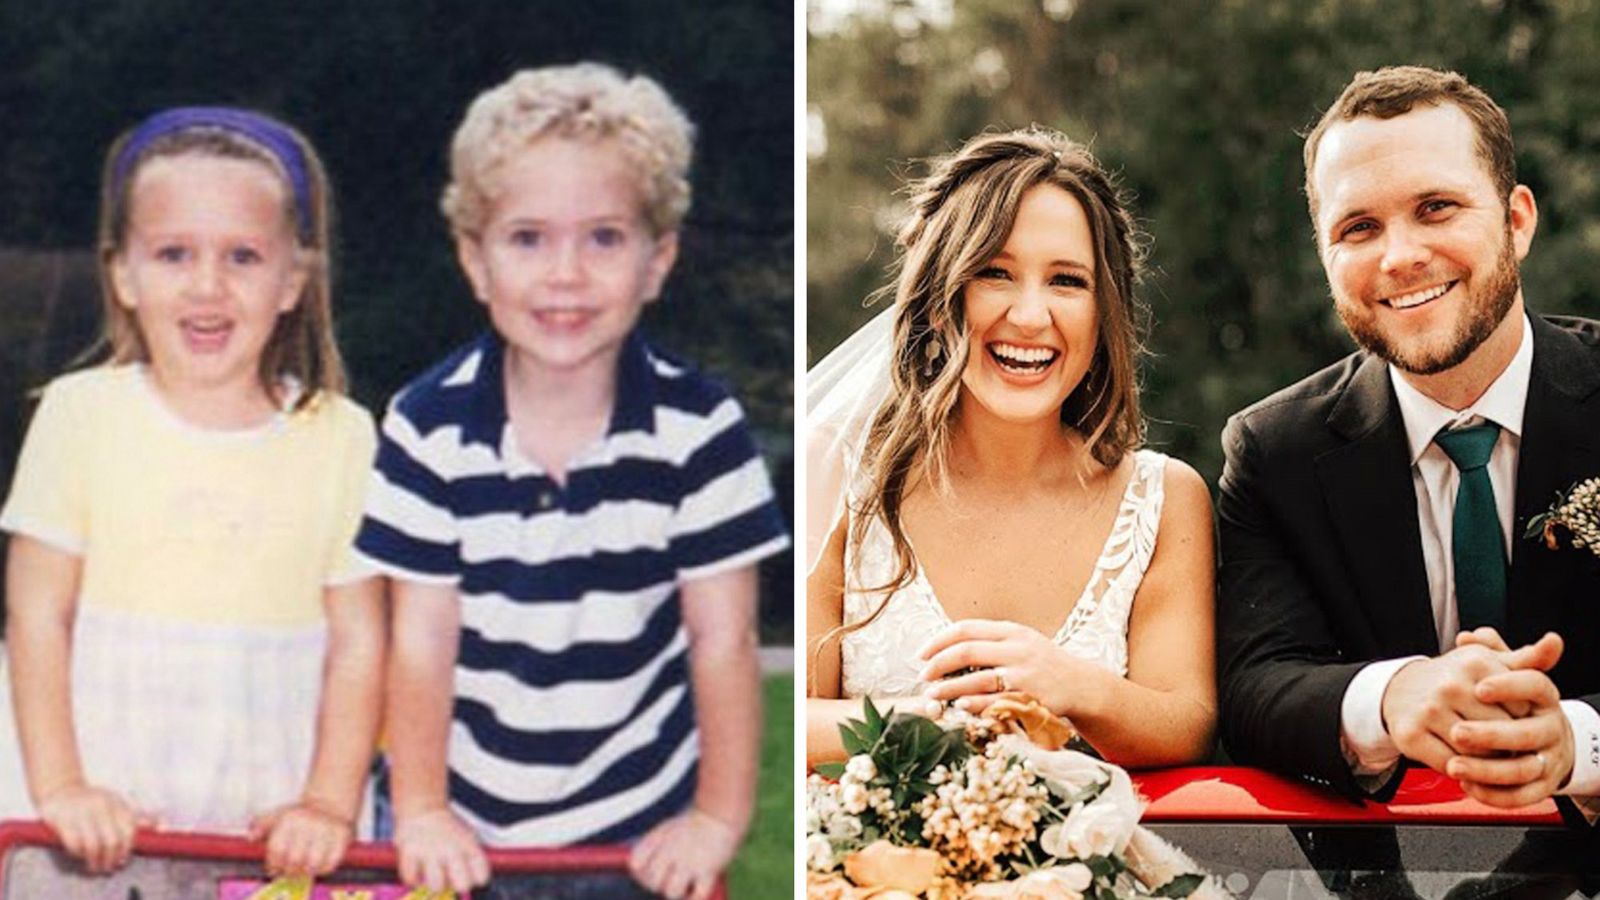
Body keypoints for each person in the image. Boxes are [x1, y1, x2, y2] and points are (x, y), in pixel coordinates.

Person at [355, 64, 789, 899]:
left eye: (604, 238)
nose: (566, 273)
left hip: (636, 835)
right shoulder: (427, 425)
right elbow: (420, 640)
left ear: (658, 260)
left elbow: (723, 640)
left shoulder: (699, 430)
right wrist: (421, 810)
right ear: (475, 261)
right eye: (527, 238)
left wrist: (715, 820)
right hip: (462, 829)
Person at [0, 107, 384, 875]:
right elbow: (36, 615)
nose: (208, 286)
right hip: (88, 812)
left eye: (243, 256)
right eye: (174, 254)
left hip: (266, 821)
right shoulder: (81, 412)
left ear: (292, 281)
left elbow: (359, 643)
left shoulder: (342, 435)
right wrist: (64, 789)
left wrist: (328, 804)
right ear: (123, 274)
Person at [1217, 65, 1600, 813]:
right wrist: (1390, 694)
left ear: (1517, 221)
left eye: (1436, 208)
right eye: (1359, 228)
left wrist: (1577, 742)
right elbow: (1254, 685)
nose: (1399, 256)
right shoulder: (1272, 452)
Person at [806, 128, 1217, 772]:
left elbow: (1186, 725)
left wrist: (1067, 685)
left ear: (1103, 309)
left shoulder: (1164, 499)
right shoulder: (833, 475)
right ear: (942, 300)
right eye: (995, 273)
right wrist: (936, 722)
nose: (1030, 315)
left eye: (1066, 281)